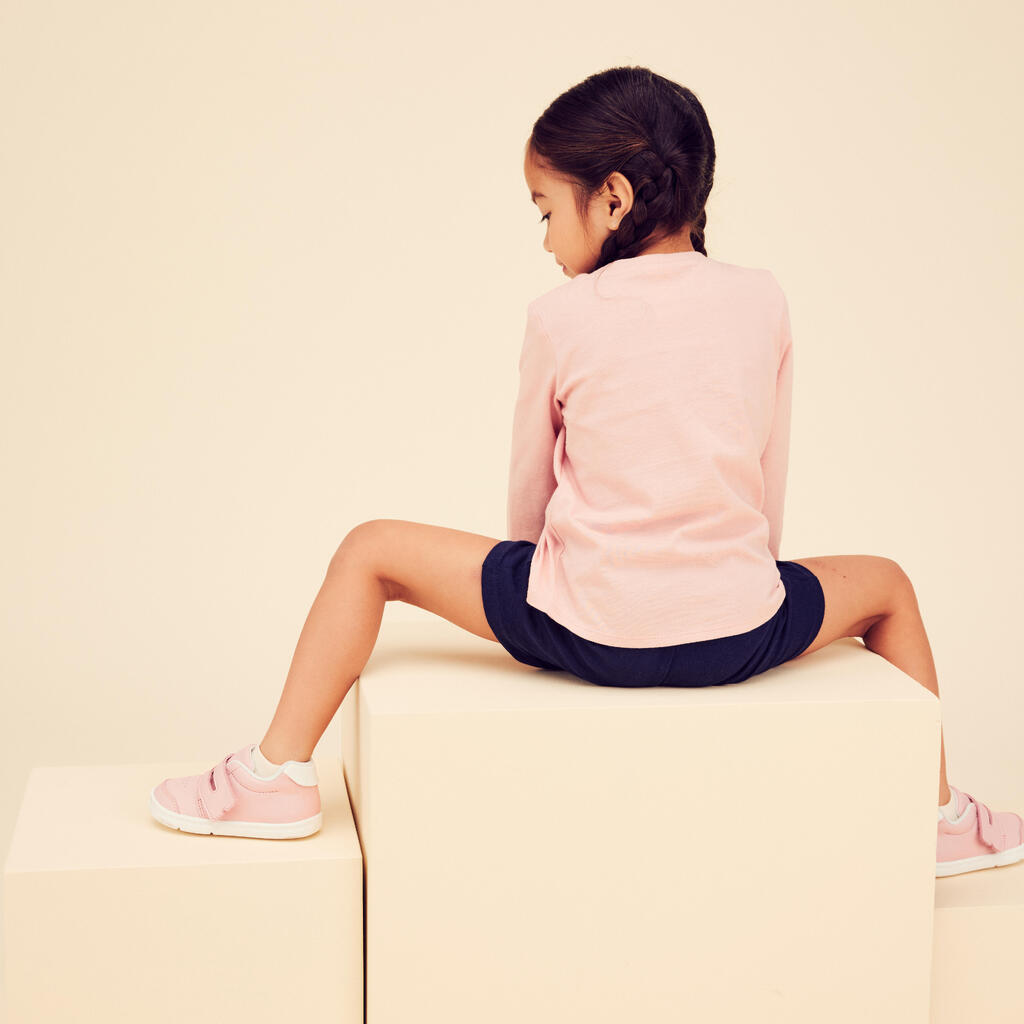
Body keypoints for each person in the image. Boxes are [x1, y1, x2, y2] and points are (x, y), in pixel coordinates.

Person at [148, 65, 1022, 878]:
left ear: (612, 199)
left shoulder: (560, 315)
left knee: (369, 549)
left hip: (584, 629)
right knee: (890, 585)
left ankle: (275, 775)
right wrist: (738, 580)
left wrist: (539, 587)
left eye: (543, 211)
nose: (544, 240)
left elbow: (531, 495)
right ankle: (938, 819)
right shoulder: (764, 297)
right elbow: (768, 472)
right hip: (739, 632)